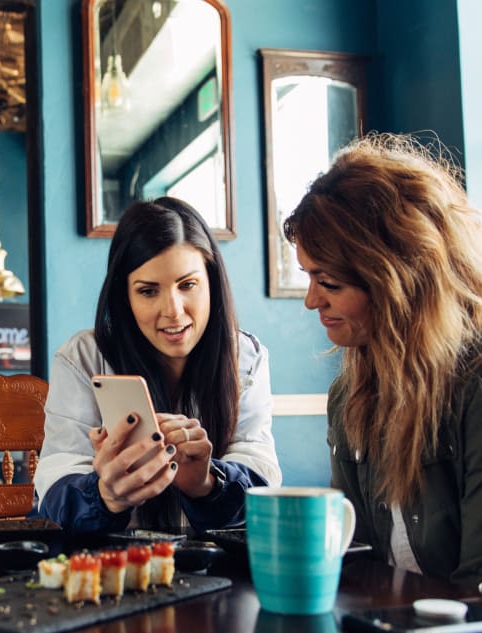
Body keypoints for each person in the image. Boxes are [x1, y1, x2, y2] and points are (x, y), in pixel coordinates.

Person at [283, 132, 482, 585]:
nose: (312, 301)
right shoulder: (347, 398)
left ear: (398, 281)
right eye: (309, 279)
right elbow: (356, 563)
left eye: (329, 282)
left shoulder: (476, 385)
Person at [32, 196, 281, 534]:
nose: (174, 311)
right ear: (125, 296)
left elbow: (261, 473)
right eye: (148, 291)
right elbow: (55, 479)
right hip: (113, 568)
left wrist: (207, 484)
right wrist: (105, 496)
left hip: (219, 567)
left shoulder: (246, 357)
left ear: (212, 282)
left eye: (188, 285)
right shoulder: (85, 357)